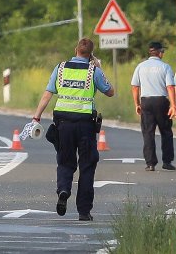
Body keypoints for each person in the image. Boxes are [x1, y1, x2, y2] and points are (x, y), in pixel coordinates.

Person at [31, 37, 115, 222]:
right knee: (87, 166)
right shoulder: (94, 71)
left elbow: (47, 94)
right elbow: (110, 91)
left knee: (65, 161)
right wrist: (99, 68)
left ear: (75, 49)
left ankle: (63, 190)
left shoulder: (60, 68)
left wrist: (36, 117)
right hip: (85, 124)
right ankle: (84, 212)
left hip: (63, 123)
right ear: (91, 55)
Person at [131, 41, 176, 171]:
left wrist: (137, 104)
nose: (163, 53)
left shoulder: (140, 66)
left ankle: (150, 163)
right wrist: (173, 105)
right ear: (159, 53)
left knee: (148, 133)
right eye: (162, 51)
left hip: (146, 102)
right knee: (166, 132)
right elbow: (170, 86)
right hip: (161, 102)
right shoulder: (165, 67)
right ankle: (167, 162)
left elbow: (135, 87)